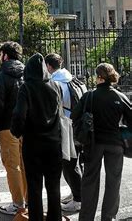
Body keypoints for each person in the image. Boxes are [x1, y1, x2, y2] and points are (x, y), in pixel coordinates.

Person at [71, 63, 132, 221]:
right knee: (113, 181)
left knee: (90, 181)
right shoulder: (119, 96)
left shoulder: (89, 96)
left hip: (93, 143)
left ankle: (86, 217)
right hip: (115, 143)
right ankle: (108, 217)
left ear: (99, 77)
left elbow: (74, 116)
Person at [11, 53, 63, 220]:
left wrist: (16, 131)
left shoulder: (26, 87)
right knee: (54, 186)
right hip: (54, 142)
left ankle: (37, 218)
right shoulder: (55, 85)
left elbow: (20, 114)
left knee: (34, 187)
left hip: (33, 142)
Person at [0, 41, 27, 215]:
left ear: (5, 55)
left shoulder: (3, 76)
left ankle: (18, 203)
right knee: (25, 164)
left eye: (0, 54)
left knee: (12, 165)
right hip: (27, 126)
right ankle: (26, 199)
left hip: (7, 126)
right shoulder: (28, 74)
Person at [45, 53, 82, 212]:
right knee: (76, 162)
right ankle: (76, 194)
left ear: (48, 66)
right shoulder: (74, 79)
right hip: (79, 126)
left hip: (66, 127)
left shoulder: (55, 82)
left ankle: (79, 199)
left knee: (68, 165)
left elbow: (52, 110)